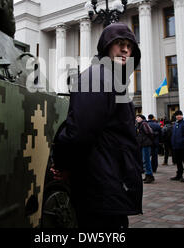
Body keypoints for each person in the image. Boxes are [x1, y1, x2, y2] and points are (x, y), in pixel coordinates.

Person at [51, 22, 143, 229]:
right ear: (106, 47)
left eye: (129, 45)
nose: (125, 49)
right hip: (99, 188)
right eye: (119, 43)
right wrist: (63, 164)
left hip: (108, 187)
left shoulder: (112, 80)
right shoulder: (97, 77)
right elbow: (79, 131)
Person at [136, 114, 155, 184]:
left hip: (146, 144)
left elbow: (150, 132)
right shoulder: (139, 125)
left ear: (142, 118)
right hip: (142, 144)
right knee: (144, 160)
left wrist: (148, 141)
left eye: (138, 117)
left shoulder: (144, 124)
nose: (137, 118)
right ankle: (147, 175)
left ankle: (150, 175)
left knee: (146, 160)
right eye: (136, 117)